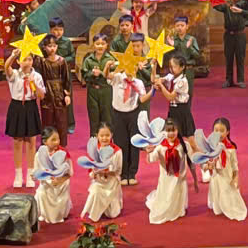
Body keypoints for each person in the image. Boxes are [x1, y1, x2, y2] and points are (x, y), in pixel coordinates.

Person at [108, 35, 153, 186]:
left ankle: (132, 173)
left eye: (133, 67)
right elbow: (107, 76)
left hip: (133, 113)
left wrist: (153, 90)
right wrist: (107, 67)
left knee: (134, 143)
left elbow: (142, 98)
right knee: (121, 143)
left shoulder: (138, 82)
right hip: (118, 114)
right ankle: (122, 173)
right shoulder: (117, 78)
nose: (130, 69)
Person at [3, 51, 46, 188]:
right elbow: (6, 67)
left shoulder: (37, 76)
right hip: (16, 107)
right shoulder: (15, 74)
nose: (27, 62)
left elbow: (41, 96)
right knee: (17, 142)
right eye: (24, 59)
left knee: (31, 142)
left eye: (29, 59)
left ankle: (30, 175)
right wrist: (13, 55)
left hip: (30, 106)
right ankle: (18, 175)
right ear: (18, 61)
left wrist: (34, 83)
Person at [153, 53, 197, 178]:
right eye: (170, 66)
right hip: (172, 111)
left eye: (174, 67)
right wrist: (154, 66)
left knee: (191, 142)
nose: (171, 69)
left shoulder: (182, 81)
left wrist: (161, 86)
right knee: (172, 141)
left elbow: (170, 96)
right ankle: (173, 166)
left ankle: (205, 164)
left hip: (182, 111)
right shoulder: (170, 77)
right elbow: (154, 79)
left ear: (182, 67)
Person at [145, 119, 190, 224]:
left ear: (178, 130)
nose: (171, 133)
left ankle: (177, 209)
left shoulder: (183, 145)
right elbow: (150, 159)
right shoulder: (160, 147)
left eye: (173, 130)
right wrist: (148, 152)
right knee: (166, 199)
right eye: (168, 131)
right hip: (166, 178)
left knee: (177, 195)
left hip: (179, 178)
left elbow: (191, 159)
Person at [205, 117, 247, 221]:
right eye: (216, 130)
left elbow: (234, 164)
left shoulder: (230, 148)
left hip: (227, 175)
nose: (218, 133)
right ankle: (218, 206)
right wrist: (209, 166)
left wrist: (236, 177)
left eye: (222, 131)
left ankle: (229, 207)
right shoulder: (211, 147)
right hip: (216, 176)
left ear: (227, 132)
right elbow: (208, 161)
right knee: (217, 190)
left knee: (227, 192)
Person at [80, 123, 123, 221]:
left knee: (112, 214)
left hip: (111, 183)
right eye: (102, 136)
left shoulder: (117, 151)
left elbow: (118, 171)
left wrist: (106, 172)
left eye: (107, 135)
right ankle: (94, 214)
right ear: (97, 136)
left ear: (111, 135)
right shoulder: (94, 150)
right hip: (99, 182)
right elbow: (90, 170)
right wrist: (94, 173)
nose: (104, 138)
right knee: (95, 190)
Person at [36, 35, 73, 147]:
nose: (52, 48)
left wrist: (67, 94)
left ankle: (61, 146)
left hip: (59, 94)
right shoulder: (42, 61)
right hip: (47, 94)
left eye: (54, 46)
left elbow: (66, 79)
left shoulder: (62, 61)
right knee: (47, 120)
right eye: (49, 46)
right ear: (44, 47)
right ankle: (46, 145)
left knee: (61, 121)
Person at [217, 0, 248, 88]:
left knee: (240, 57)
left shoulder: (244, 3)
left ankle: (241, 80)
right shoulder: (226, 5)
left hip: (240, 35)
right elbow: (216, 5)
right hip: (228, 35)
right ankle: (228, 80)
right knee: (229, 58)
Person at [32, 127, 72, 224]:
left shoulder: (64, 154)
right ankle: (44, 213)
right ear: (45, 142)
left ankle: (59, 212)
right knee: (41, 193)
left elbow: (69, 174)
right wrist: (34, 176)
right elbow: (36, 172)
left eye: (58, 139)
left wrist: (59, 181)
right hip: (46, 186)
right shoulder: (38, 155)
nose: (57, 142)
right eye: (53, 140)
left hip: (60, 187)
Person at [46, 16, 77, 135]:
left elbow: (72, 56)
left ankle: (70, 124)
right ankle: (54, 124)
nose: (57, 32)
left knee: (67, 99)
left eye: (60, 29)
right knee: (53, 100)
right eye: (55, 29)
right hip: (51, 76)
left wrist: (61, 60)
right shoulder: (47, 42)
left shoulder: (67, 42)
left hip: (65, 75)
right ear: (50, 30)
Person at [81, 33, 115, 140]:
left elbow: (114, 75)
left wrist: (101, 73)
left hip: (106, 90)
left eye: (103, 44)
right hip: (93, 91)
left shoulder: (110, 59)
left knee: (107, 117)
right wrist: (92, 74)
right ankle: (94, 141)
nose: (100, 46)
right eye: (97, 43)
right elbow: (84, 76)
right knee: (94, 117)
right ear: (93, 45)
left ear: (107, 45)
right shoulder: (88, 60)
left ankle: (107, 140)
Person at [169, 14, 200, 109]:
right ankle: (175, 112)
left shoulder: (191, 39)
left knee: (188, 93)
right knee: (175, 92)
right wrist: (171, 46)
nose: (180, 28)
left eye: (182, 25)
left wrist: (189, 47)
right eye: (177, 26)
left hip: (188, 70)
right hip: (176, 70)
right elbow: (168, 57)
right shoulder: (173, 39)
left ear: (187, 26)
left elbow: (197, 56)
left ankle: (187, 112)